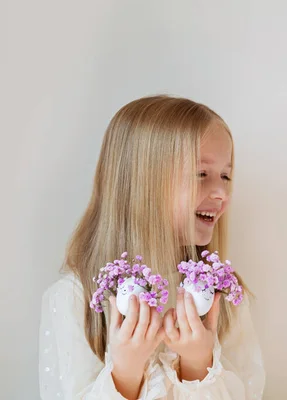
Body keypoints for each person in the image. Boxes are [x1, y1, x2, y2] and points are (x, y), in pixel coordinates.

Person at [38, 95, 266, 399]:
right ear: (143, 183)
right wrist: (125, 372)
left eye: (226, 175)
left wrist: (198, 365)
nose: (222, 192)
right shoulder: (73, 299)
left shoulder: (222, 297)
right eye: (202, 174)